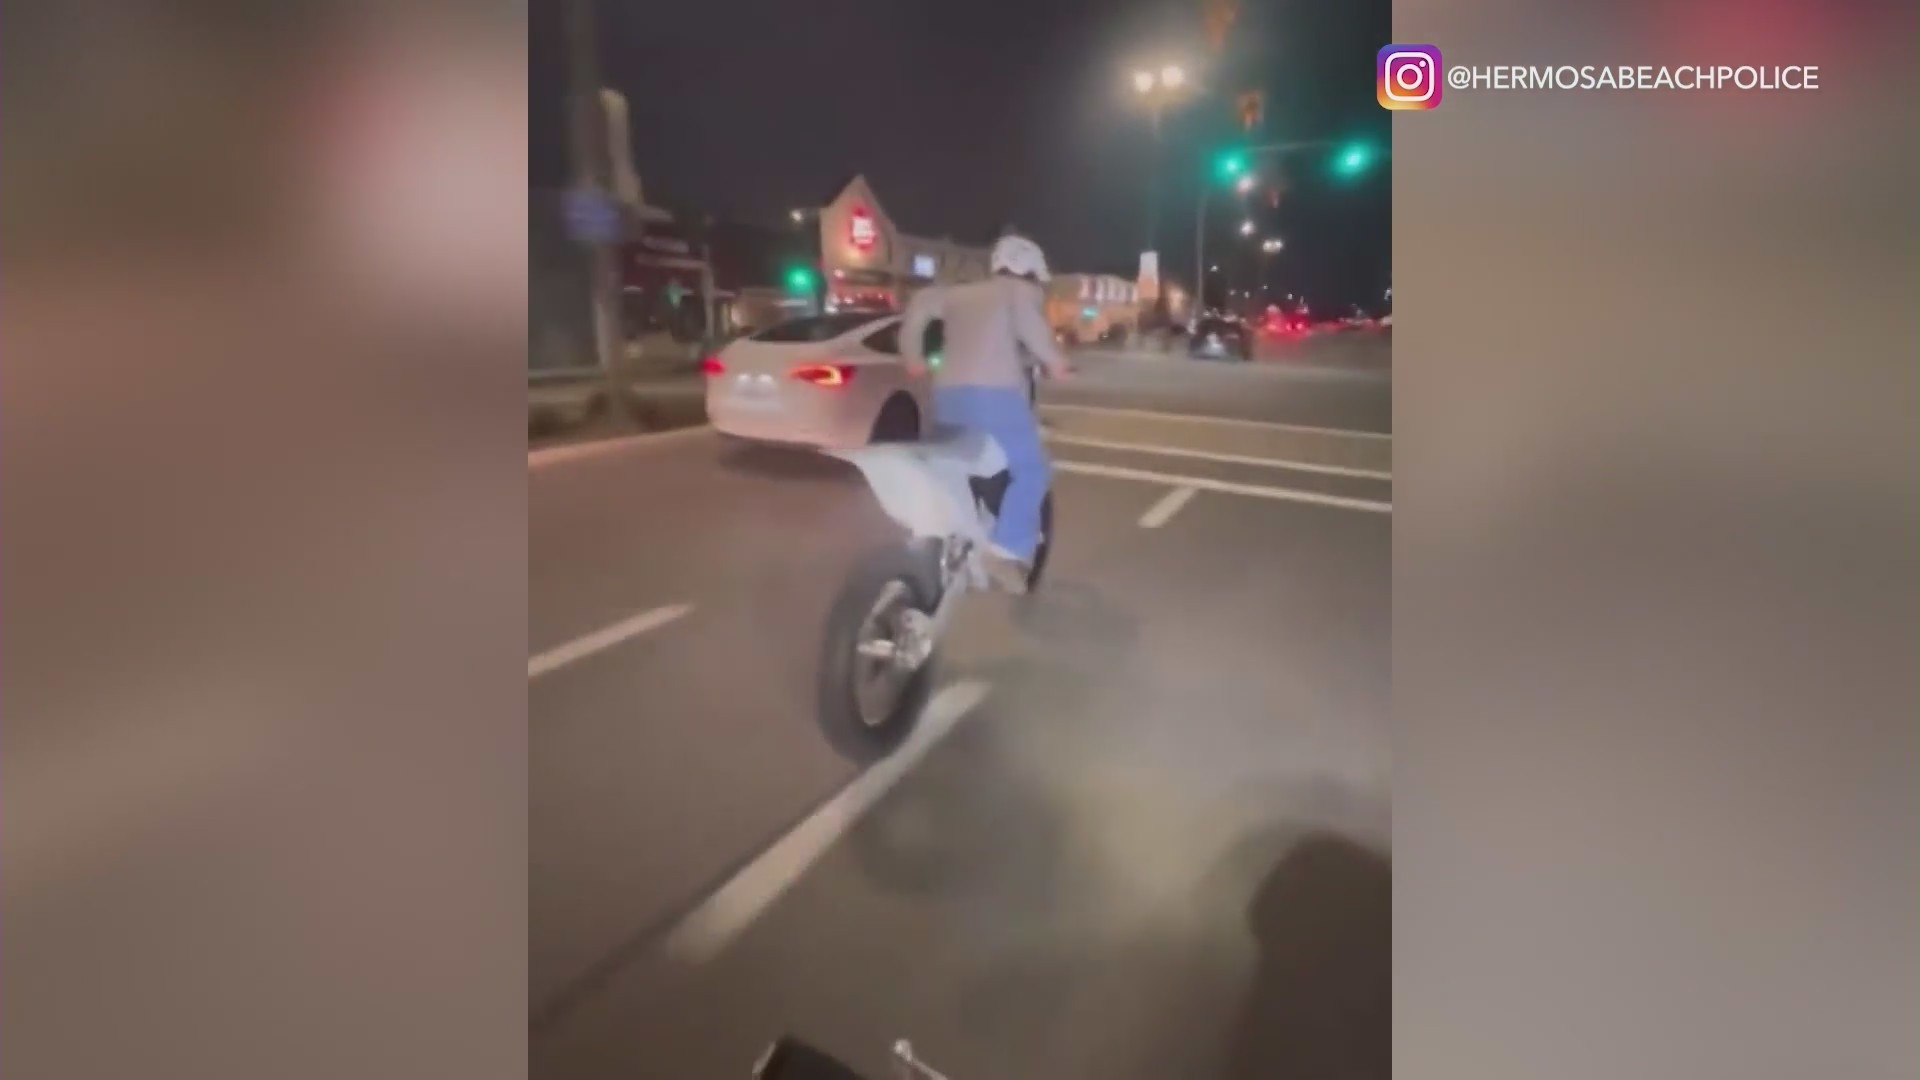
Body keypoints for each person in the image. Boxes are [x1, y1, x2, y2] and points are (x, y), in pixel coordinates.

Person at [898, 233, 1072, 593]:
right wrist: (1056, 362)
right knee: (1032, 469)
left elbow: (917, 310)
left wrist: (913, 358)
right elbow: (1030, 327)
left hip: (947, 394)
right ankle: (1006, 549)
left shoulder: (955, 294)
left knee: (958, 463)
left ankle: (950, 534)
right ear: (1030, 271)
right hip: (994, 396)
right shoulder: (1019, 291)